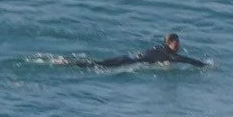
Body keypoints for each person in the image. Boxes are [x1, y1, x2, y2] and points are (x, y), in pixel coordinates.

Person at [72, 32, 207, 70]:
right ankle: (70, 63)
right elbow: (185, 60)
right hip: (127, 63)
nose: (178, 46)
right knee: (96, 66)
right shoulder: (168, 55)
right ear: (170, 43)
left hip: (127, 58)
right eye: (176, 44)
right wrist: (203, 65)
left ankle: (70, 62)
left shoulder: (158, 48)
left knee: (96, 63)